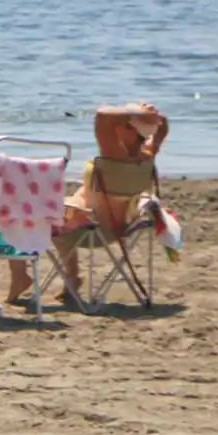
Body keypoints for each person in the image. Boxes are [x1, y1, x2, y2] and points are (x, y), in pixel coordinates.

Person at [53, 102, 171, 294]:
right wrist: (149, 115)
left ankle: (71, 275)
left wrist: (137, 112)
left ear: (133, 132)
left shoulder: (114, 156)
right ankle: (72, 277)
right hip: (121, 228)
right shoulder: (147, 155)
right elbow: (163, 124)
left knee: (42, 214)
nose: (117, 126)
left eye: (124, 123)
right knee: (62, 208)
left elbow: (101, 116)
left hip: (91, 229)